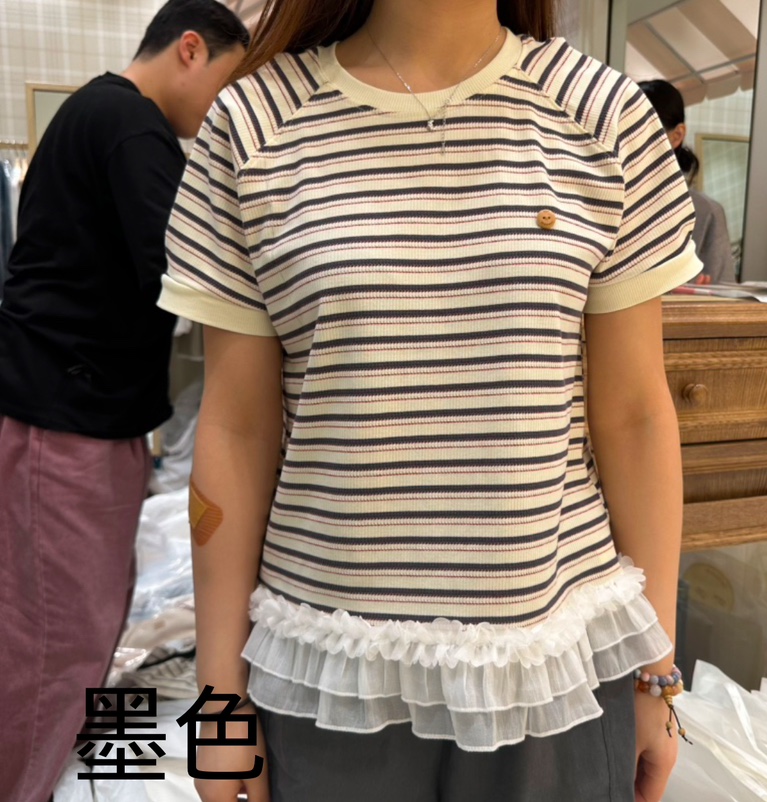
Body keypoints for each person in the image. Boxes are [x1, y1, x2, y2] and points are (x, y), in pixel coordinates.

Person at [160, 1, 703, 800]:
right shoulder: (252, 124)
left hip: (555, 671)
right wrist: (220, 704)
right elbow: (235, 431)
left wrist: (657, 674)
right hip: (328, 676)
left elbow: (634, 417)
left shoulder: (605, 115)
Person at [0, 3, 248, 800]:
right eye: (228, 84)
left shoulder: (98, 115)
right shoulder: (129, 124)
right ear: (190, 49)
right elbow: (182, 270)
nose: (225, 110)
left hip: (74, 412)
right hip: (65, 417)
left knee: (73, 627)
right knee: (57, 640)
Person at [639, 79, 737, 285]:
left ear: (677, 135)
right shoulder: (601, 203)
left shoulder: (705, 213)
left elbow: (724, 294)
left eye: (643, 133)